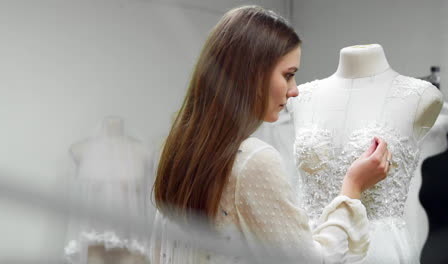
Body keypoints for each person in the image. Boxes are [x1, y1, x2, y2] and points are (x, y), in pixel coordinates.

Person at [150, 5, 392, 264]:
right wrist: (352, 187)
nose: (294, 90)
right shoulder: (250, 161)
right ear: (251, 75)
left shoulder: (179, 153)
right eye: (288, 76)